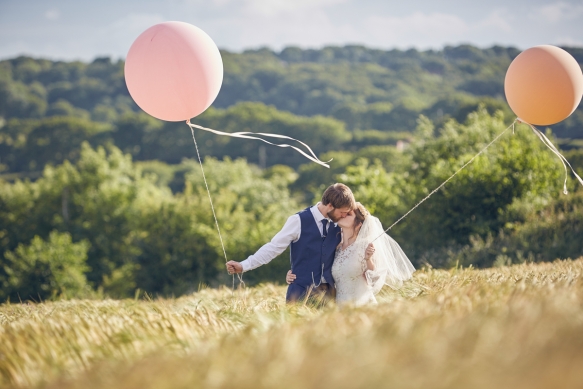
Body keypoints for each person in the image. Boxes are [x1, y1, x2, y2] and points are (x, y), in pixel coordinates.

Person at [226, 183, 356, 302]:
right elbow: (273, 248)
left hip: (329, 296)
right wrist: (243, 265)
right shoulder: (298, 220)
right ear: (330, 206)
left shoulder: (341, 224)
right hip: (299, 293)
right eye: (342, 213)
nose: (345, 216)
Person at [286, 202, 415, 306]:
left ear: (358, 224)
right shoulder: (337, 247)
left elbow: (375, 276)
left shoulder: (366, 245)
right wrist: (295, 273)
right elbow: (319, 267)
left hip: (362, 306)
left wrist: (368, 259)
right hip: (340, 307)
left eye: (348, 214)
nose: (342, 215)